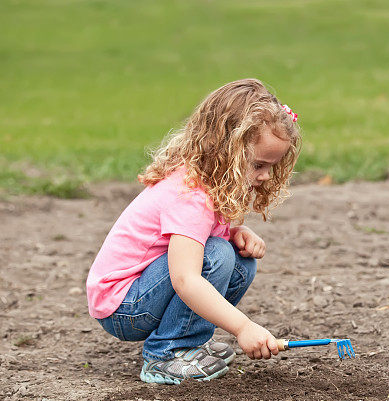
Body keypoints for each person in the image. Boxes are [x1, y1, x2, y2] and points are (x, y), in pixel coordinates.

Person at [87, 78, 301, 384]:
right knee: (216, 255)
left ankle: (188, 340)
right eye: (258, 165)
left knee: (238, 262)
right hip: (124, 307)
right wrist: (243, 327)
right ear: (226, 151)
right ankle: (167, 353)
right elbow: (185, 278)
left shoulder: (209, 182)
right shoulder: (190, 196)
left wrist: (234, 232)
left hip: (143, 293)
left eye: (272, 166)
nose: (266, 176)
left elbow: (196, 241)